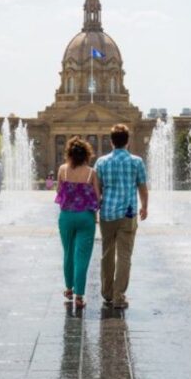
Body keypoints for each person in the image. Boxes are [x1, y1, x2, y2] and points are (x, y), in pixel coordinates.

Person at [95, 124, 148, 310]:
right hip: (128, 213)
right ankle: (119, 296)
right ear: (128, 141)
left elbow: (97, 189)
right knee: (124, 255)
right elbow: (142, 186)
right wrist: (145, 207)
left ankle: (107, 293)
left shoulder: (101, 162)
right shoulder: (136, 161)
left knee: (107, 254)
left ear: (111, 141)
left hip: (107, 213)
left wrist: (96, 209)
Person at [55, 137, 101, 310]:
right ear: (86, 155)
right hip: (86, 218)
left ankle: (68, 289)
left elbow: (59, 191)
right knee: (82, 256)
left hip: (66, 216)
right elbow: (97, 197)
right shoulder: (91, 172)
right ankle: (79, 296)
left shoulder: (62, 170)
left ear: (69, 154)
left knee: (68, 253)